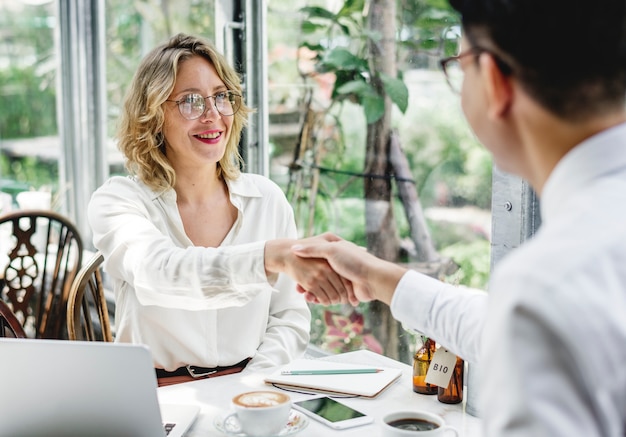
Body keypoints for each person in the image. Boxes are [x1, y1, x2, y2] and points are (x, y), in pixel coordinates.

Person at [291, 1, 626, 436]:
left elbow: (537, 320)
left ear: (494, 80)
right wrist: (378, 278)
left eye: (459, 67)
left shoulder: (548, 284)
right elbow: (516, 331)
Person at [87, 33, 348, 385]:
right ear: (153, 114)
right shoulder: (119, 201)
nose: (212, 115)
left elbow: (289, 317)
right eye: (191, 101)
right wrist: (270, 256)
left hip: (251, 393)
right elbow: (158, 272)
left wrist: (250, 385)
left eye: (221, 97)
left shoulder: (267, 200)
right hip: (159, 400)